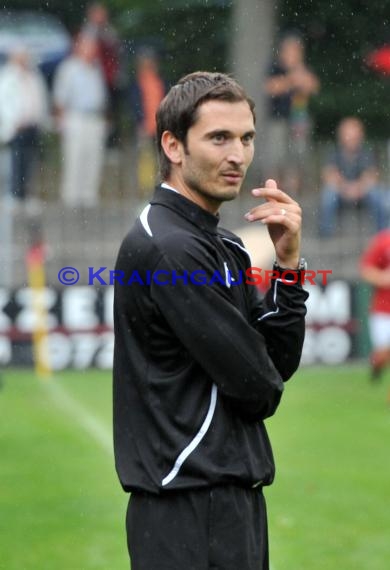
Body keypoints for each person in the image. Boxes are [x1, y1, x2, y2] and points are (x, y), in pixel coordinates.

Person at [113, 71, 309, 570]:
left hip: (225, 499)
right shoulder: (171, 247)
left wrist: (287, 270)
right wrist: (261, 367)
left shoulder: (221, 243)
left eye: (246, 138)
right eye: (218, 138)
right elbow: (258, 386)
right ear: (173, 146)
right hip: (190, 508)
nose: (238, 155)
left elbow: (276, 366)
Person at [53, 34, 107, 208]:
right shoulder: (69, 69)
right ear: (79, 48)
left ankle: (89, 198)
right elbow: (60, 99)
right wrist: (62, 123)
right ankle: (71, 199)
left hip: (94, 118)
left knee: (93, 158)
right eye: (88, 47)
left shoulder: (96, 69)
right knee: (74, 158)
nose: (92, 51)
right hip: (75, 117)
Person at [264, 32, 320, 194]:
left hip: (299, 118)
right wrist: (291, 79)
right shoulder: (275, 67)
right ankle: (274, 188)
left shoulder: (303, 68)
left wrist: (298, 74)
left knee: (298, 152)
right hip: (278, 118)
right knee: (276, 154)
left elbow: (313, 87)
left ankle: (294, 188)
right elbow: (271, 88)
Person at [319, 116, 386, 237]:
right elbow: (329, 174)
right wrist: (345, 188)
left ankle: (382, 236)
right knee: (328, 195)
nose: (351, 139)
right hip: (340, 193)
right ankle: (325, 236)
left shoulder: (366, 153)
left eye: (353, 135)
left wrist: (357, 188)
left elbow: (371, 175)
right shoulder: (334, 153)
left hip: (362, 193)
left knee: (377, 195)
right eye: (348, 135)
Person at [0, 46, 49, 207]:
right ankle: (14, 194)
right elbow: (4, 102)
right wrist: (13, 121)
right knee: (16, 161)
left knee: (30, 161)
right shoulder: (8, 75)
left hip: (32, 125)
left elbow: (41, 99)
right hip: (16, 127)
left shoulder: (33, 75)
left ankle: (27, 194)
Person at [82, 2, 123, 149]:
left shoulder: (108, 31)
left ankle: (110, 144)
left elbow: (115, 49)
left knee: (111, 112)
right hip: (93, 79)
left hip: (109, 79)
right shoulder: (88, 32)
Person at [129, 49, 166, 195]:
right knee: (145, 160)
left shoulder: (159, 81)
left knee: (160, 160)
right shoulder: (137, 83)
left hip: (159, 126)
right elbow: (135, 105)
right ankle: (145, 189)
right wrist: (140, 122)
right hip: (145, 127)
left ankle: (159, 186)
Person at [360, 229, 390, 380]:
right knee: (382, 353)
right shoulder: (384, 241)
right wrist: (383, 278)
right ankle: (376, 367)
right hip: (384, 309)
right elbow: (366, 270)